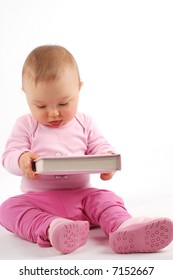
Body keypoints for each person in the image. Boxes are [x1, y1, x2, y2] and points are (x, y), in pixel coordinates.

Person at [0, 45, 173, 255]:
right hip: (40, 200)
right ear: (25, 95)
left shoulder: (85, 123)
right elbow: (9, 154)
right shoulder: (26, 124)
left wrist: (106, 161)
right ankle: (52, 227)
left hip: (82, 199)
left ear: (78, 89)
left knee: (106, 198)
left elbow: (101, 146)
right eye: (41, 106)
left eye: (64, 103)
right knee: (8, 208)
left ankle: (123, 228)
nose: (53, 113)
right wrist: (22, 160)